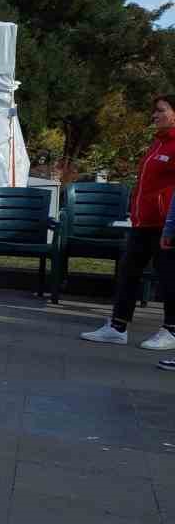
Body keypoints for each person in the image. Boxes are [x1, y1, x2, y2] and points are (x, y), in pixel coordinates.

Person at [82, 95, 175, 349]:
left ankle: (171, 330)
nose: (154, 115)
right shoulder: (157, 144)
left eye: (160, 111)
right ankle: (117, 326)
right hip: (143, 223)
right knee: (128, 272)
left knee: (169, 277)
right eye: (153, 111)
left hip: (166, 225)